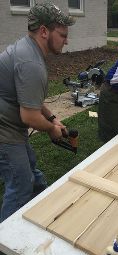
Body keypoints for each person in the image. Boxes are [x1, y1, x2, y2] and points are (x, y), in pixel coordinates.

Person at [0, 2, 75, 222]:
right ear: (44, 31)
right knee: (20, 184)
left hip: (11, 125)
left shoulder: (28, 49)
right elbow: (29, 116)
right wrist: (52, 129)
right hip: (5, 132)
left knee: (30, 164)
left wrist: (52, 117)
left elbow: (29, 99)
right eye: (62, 35)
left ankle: (43, 202)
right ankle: (6, 239)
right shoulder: (30, 62)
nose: (66, 40)